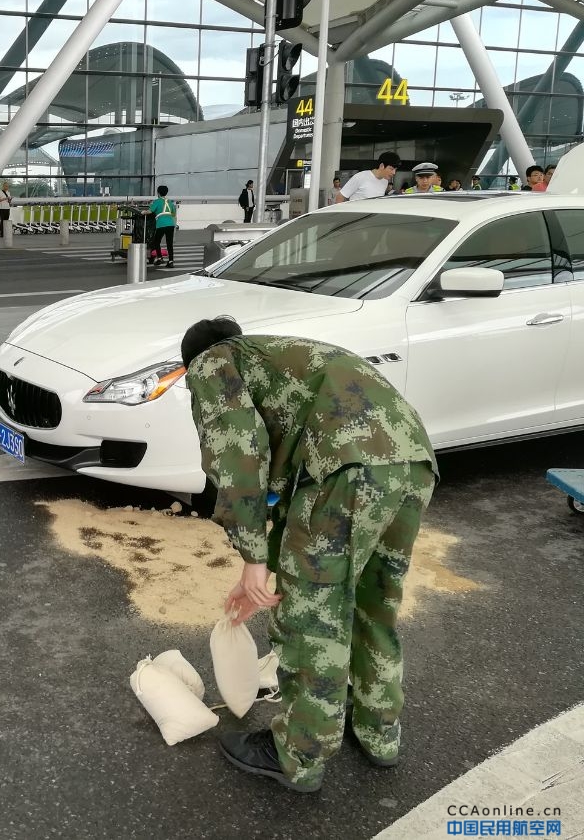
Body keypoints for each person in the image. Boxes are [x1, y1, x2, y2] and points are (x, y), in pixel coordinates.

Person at [180, 317, 438, 793]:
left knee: (313, 621)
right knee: (372, 604)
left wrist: (253, 559)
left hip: (347, 472)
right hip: (412, 463)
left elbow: (238, 451)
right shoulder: (285, 357)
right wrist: (265, 560)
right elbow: (287, 485)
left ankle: (296, 756)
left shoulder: (213, 361)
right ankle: (378, 732)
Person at [335, 152, 400, 202]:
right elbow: (340, 197)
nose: (394, 173)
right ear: (382, 166)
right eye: (391, 169)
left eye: (395, 170)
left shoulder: (385, 182)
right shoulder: (361, 177)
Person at [147, 184, 177, 267]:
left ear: (158, 192)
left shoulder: (157, 201)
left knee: (156, 242)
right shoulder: (170, 202)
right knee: (169, 243)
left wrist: (143, 212)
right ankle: (171, 261)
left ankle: (160, 258)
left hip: (161, 224)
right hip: (170, 224)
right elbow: (173, 213)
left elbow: (150, 211)